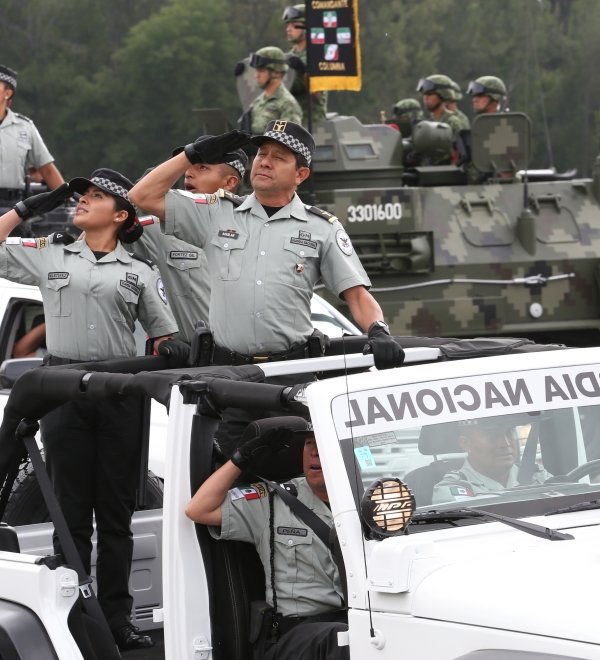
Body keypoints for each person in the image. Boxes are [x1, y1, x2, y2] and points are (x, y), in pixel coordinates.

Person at [129, 121, 404, 456]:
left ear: (301, 174)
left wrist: (378, 330)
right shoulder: (216, 213)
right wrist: (192, 154)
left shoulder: (322, 228)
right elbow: (141, 196)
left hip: (289, 378)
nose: (264, 161)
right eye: (261, 153)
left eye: (278, 157)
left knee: (292, 478)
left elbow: (357, 295)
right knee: (222, 487)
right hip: (229, 379)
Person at [0, 169, 178, 651]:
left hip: (121, 393)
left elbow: (163, 337)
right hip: (62, 389)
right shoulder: (52, 253)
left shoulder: (140, 272)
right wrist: (31, 207)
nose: (81, 202)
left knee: (116, 512)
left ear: (120, 215)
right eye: (80, 196)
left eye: (95, 197)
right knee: (70, 514)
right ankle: (77, 616)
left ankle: (118, 618)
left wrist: (171, 351)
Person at [185, 419, 349, 660]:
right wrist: (241, 460)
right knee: (343, 639)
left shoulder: (374, 502)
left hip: (355, 620)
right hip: (293, 634)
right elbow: (198, 510)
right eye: (308, 443)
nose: (314, 452)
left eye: (323, 442)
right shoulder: (273, 501)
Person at [135, 148, 248, 342]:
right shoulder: (156, 229)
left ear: (229, 182)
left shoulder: (253, 226)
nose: (188, 173)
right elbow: (93, 248)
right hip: (187, 360)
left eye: (202, 167)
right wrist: (131, 205)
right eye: (188, 167)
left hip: (246, 358)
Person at [432, 416, 547, 504]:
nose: (505, 443)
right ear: (466, 444)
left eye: (509, 432)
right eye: (491, 435)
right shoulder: (451, 489)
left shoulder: (538, 477)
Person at [0, 65, 64, 213]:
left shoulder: (25, 127)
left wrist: (66, 197)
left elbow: (47, 169)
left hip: (13, 207)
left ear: (7, 93)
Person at [283, 4, 328, 125]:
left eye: (294, 25)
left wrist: (303, 71)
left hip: (313, 124)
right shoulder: (287, 57)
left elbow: (316, 95)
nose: (289, 29)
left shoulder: (317, 55)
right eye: (287, 25)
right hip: (291, 122)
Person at [245, 48, 302, 134]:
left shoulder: (287, 104)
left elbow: (287, 141)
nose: (256, 75)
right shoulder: (257, 102)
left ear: (277, 73)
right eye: (256, 70)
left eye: (261, 70)